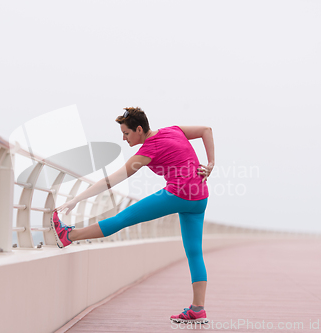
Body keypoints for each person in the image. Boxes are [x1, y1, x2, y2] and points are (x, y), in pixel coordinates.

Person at [52, 106, 215, 324]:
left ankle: (68, 236)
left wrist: (76, 199)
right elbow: (207, 129)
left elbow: (111, 180)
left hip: (178, 193)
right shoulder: (173, 130)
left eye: (126, 133)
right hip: (199, 197)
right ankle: (198, 309)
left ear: (139, 129)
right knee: (195, 253)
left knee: (123, 219)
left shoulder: (148, 150)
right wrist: (211, 163)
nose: (123, 138)